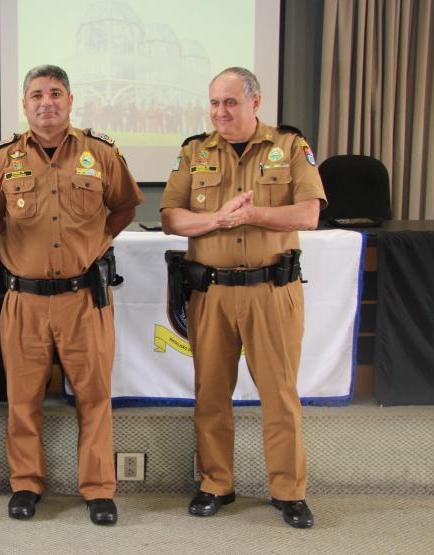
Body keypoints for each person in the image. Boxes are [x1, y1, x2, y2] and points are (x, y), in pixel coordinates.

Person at [0, 64, 143, 526]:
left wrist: (94, 243)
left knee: (94, 396)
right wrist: (16, 244)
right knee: (22, 398)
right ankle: (26, 484)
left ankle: (99, 489)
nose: (46, 102)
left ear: (70, 101)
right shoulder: (3, 158)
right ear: (24, 104)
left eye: (55, 93)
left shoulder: (101, 153)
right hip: (23, 300)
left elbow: (125, 206)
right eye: (36, 95)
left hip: (82, 298)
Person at [160, 67, 327, 529]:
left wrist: (253, 214)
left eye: (230, 103)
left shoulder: (290, 147)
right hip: (211, 293)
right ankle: (216, 483)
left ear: (255, 102)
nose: (220, 112)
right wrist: (216, 220)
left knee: (279, 394)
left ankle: (288, 491)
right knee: (211, 393)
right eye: (214, 103)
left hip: (272, 290)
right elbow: (173, 217)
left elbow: (309, 214)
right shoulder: (194, 151)